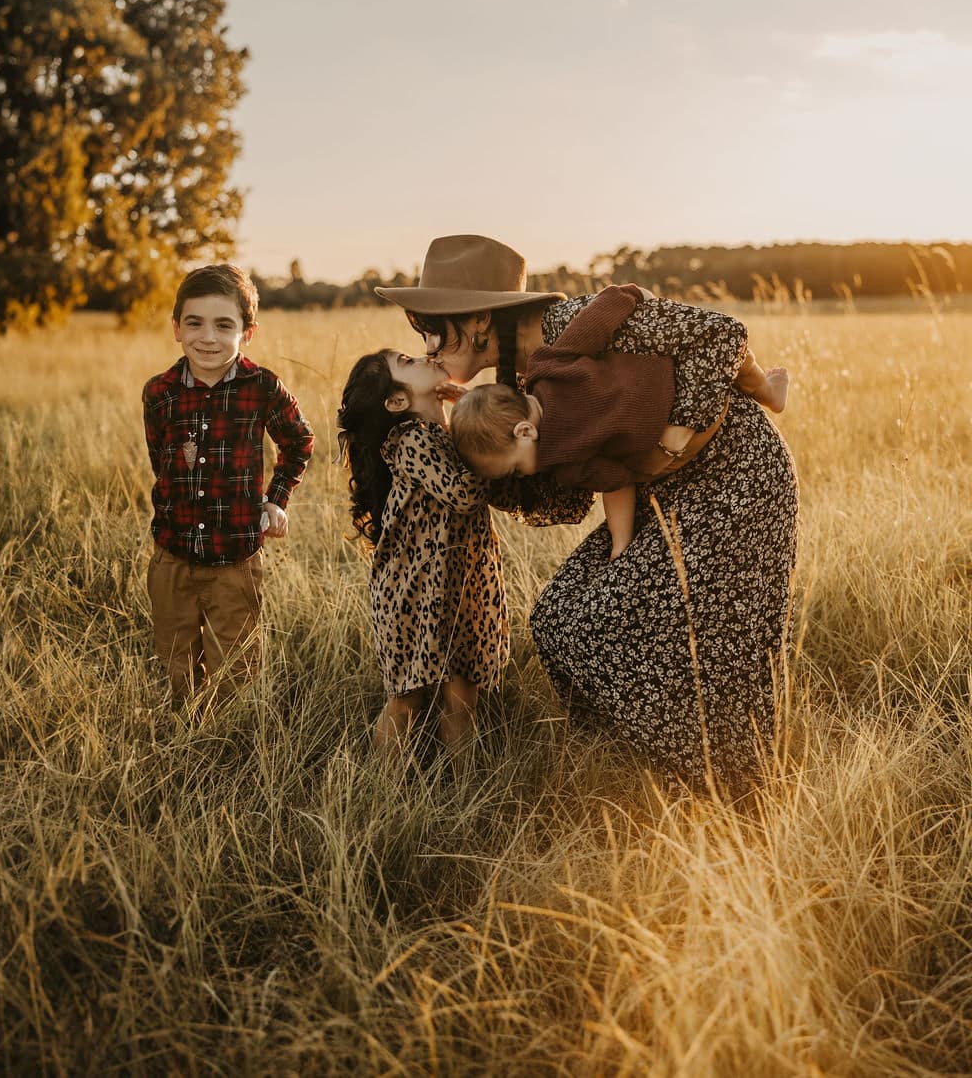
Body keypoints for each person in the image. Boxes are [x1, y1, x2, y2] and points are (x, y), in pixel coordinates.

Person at [376, 235, 799, 785]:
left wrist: (673, 439)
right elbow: (570, 491)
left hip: (735, 476)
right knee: (561, 619)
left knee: (702, 638)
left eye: (433, 327)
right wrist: (466, 457)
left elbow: (721, 335)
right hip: (660, 491)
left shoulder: (568, 324)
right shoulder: (513, 383)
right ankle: (641, 765)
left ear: (478, 317)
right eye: (420, 331)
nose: (427, 345)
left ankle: (730, 777)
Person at [450, 283, 790, 561]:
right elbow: (616, 480)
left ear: (524, 431)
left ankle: (767, 391)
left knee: (735, 356)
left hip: (681, 395)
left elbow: (591, 326)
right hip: (668, 387)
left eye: (513, 468)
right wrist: (629, 295)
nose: (521, 474)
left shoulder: (555, 412)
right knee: (742, 365)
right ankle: (765, 389)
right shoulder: (547, 375)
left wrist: (621, 543)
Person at [143, 264, 314, 706]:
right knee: (174, 667)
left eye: (224, 325)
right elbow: (161, 464)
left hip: (235, 557)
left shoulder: (262, 387)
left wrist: (275, 500)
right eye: (195, 323)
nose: (208, 337)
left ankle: (224, 755)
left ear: (247, 332)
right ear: (177, 329)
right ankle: (181, 746)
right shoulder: (159, 393)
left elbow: (300, 442)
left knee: (234, 672)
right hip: (172, 554)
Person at [336, 348, 509, 757]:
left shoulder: (439, 433)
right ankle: (383, 788)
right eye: (408, 362)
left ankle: (465, 794)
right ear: (397, 402)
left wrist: (468, 412)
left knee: (462, 691)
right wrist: (498, 454)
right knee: (408, 697)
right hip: (413, 590)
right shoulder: (413, 438)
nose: (422, 356)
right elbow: (463, 492)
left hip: (457, 586)